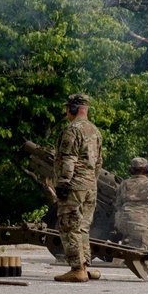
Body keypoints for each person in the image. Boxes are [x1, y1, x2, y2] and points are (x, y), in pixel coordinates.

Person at [53, 93, 103, 282]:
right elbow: (99, 162)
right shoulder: (95, 131)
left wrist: (64, 183)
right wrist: (91, 181)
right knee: (83, 226)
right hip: (90, 185)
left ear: (73, 109)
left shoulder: (71, 130)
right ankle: (85, 265)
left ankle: (77, 268)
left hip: (74, 185)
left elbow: (68, 160)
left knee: (69, 225)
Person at [114, 157, 148, 249]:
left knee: (126, 247)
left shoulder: (124, 184)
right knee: (139, 252)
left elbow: (118, 204)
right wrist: (147, 216)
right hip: (141, 224)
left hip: (123, 223)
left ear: (132, 169)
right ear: (146, 169)